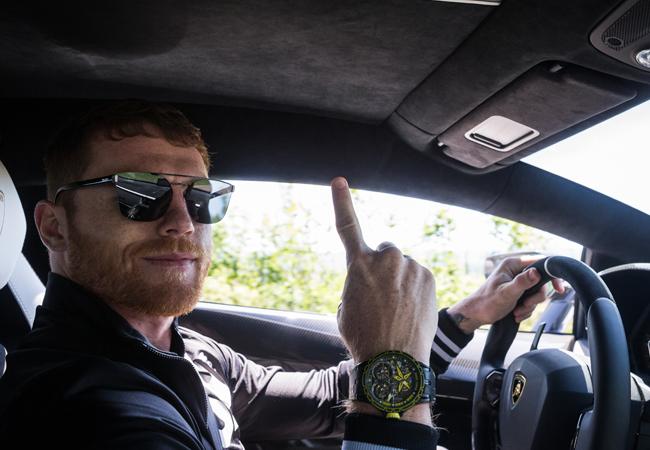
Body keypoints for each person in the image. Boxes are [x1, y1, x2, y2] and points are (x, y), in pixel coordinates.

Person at [0, 101, 562, 449]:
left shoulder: (184, 351)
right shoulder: (83, 405)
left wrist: (468, 315)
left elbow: (328, 399)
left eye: (201, 198)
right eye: (138, 195)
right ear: (53, 226)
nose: (182, 222)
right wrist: (393, 365)